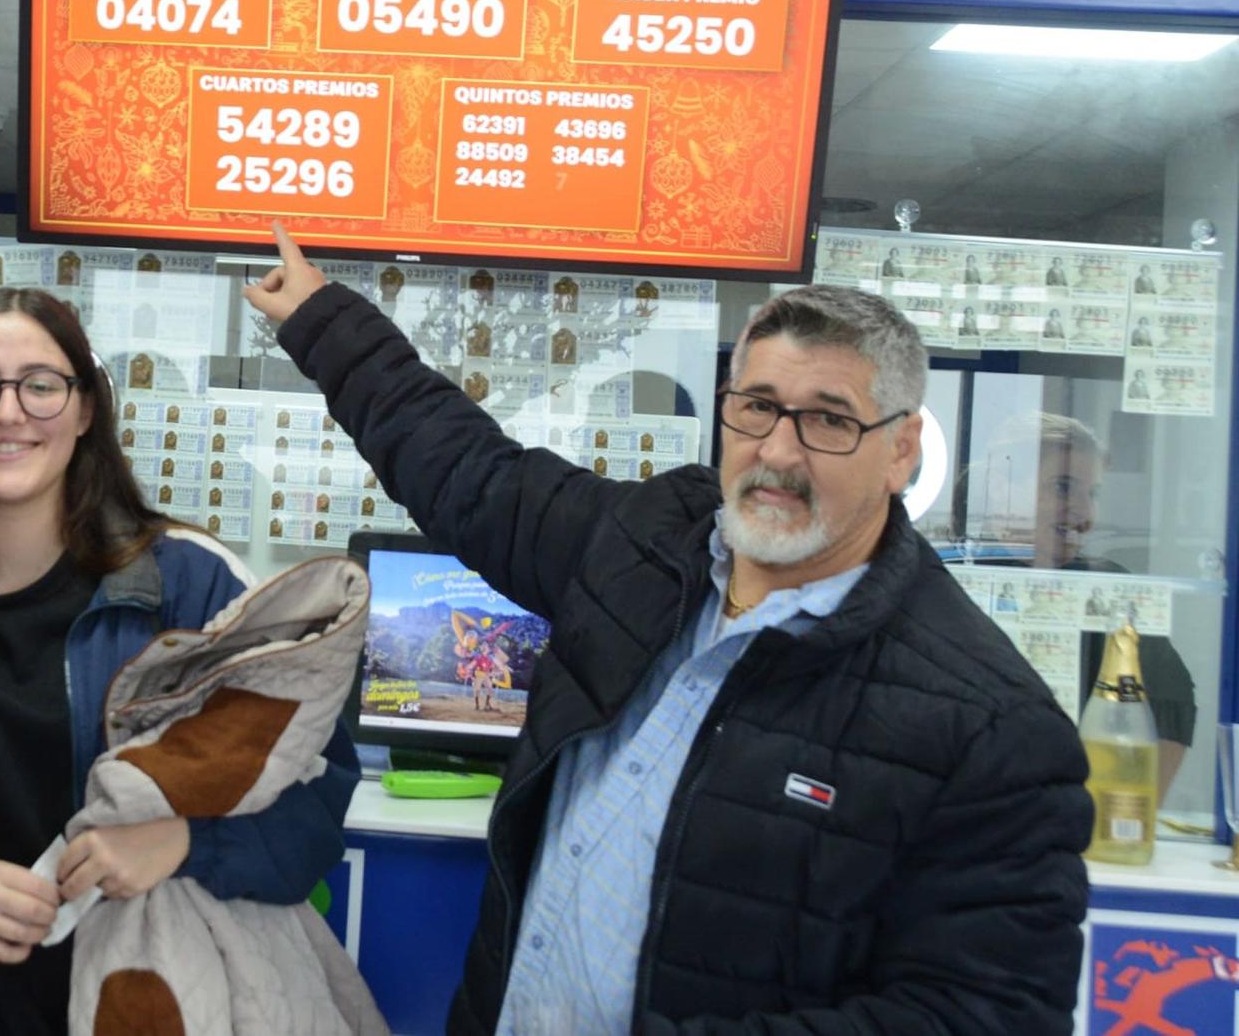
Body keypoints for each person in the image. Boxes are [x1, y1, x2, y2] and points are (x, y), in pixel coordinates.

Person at [244, 222, 1089, 1035]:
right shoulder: (643, 544)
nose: (780, 452)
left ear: (903, 450)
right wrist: (325, 321)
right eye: (757, 405)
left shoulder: (990, 724)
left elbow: (982, 1014)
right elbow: (466, 469)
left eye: (829, 419)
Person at [0, 286, 357, 1035]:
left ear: (86, 410)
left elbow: (316, 810)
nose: (8, 411)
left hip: (144, 999)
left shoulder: (186, 585)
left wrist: (183, 841)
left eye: (42, 385)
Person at [966, 413, 1196, 796]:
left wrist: (1117, 821)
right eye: (1062, 487)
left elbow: (1174, 706)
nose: (1084, 513)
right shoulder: (952, 575)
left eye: (1093, 494)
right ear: (1001, 482)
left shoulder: (1110, 589)